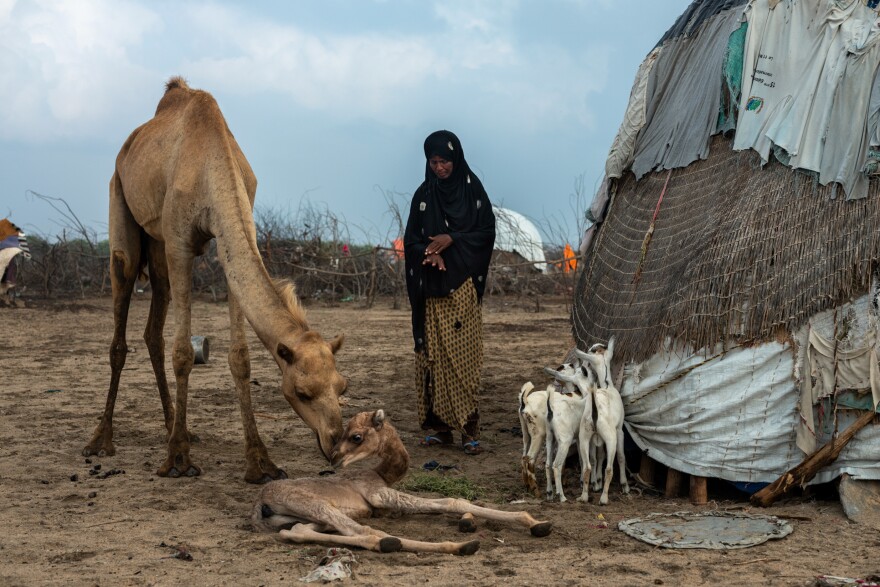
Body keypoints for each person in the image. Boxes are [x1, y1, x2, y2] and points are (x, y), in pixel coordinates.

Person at [404, 130, 496, 455]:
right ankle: (439, 429)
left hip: (462, 291)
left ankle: (469, 429)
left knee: (464, 359)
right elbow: (412, 239)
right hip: (432, 292)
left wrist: (452, 239)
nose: (440, 167)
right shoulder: (423, 195)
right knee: (434, 358)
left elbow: (485, 232)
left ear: (456, 160)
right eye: (434, 161)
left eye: (445, 161)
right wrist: (431, 251)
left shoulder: (473, 193)